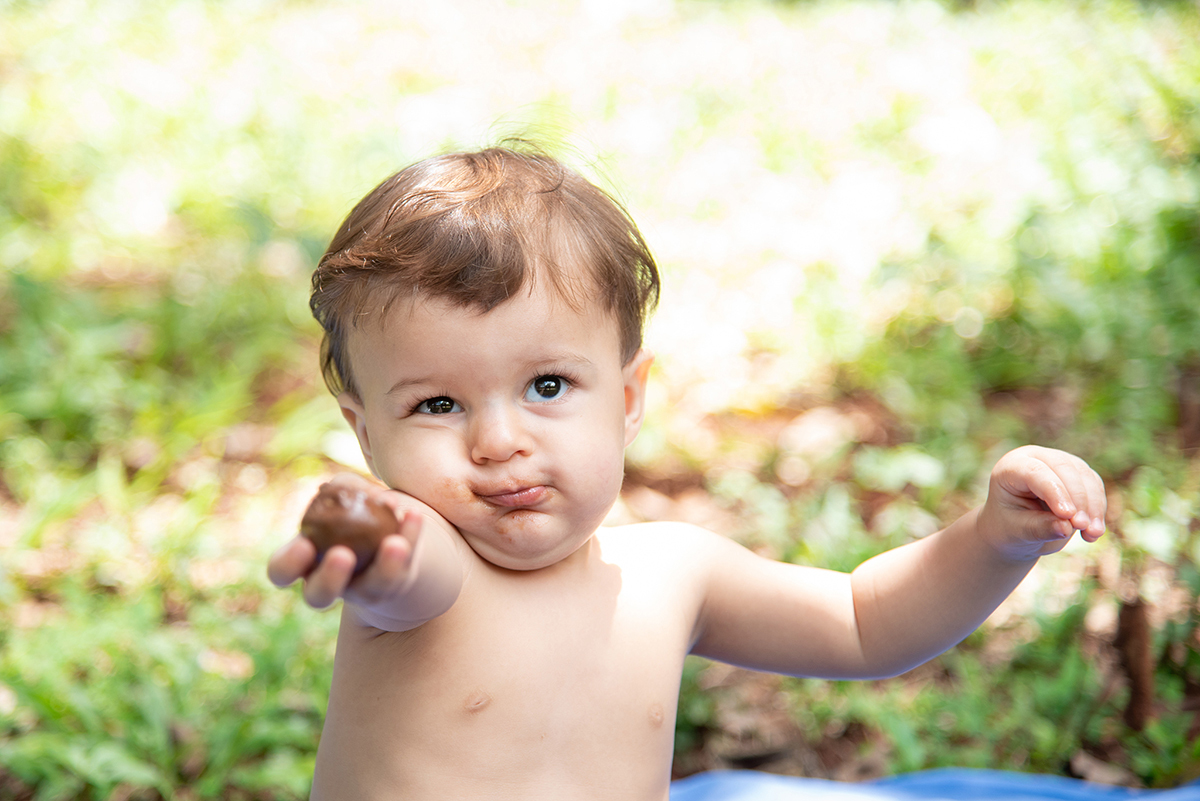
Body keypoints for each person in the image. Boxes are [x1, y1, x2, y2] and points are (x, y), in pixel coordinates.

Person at [267, 146, 1107, 801]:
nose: (497, 440)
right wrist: (371, 548)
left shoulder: (671, 573)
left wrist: (994, 541)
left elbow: (864, 622)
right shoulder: (429, 578)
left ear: (628, 395)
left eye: (546, 386)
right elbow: (404, 573)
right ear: (366, 431)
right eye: (437, 405)